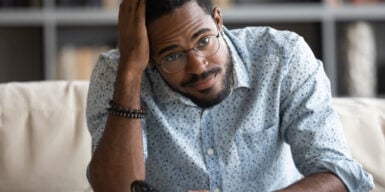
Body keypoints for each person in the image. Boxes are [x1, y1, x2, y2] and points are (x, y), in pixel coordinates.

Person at [86, 0, 374, 191]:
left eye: (204, 40)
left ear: (218, 20)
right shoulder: (118, 73)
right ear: (148, 57)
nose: (198, 65)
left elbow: (340, 174)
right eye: (172, 56)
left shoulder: (282, 57)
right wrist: (130, 72)